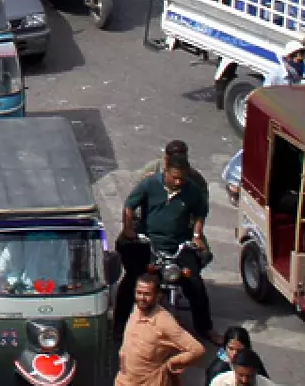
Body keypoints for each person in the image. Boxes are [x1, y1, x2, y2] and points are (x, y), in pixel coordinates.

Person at [115, 156, 213, 341]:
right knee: (131, 280)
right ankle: (119, 326)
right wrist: (129, 231)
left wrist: (197, 236)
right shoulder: (149, 184)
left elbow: (200, 213)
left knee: (195, 284)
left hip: (179, 245)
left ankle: (205, 328)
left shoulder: (193, 189)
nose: (178, 182)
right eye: (175, 177)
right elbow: (129, 206)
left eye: (182, 178)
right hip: (149, 243)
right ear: (165, 171)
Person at [116, 272, 206, 386]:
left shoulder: (165, 322)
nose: (142, 298)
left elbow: (197, 350)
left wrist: (172, 364)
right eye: (139, 293)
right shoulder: (136, 309)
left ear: (158, 296)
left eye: (147, 294)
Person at [204, 327, 268, 384]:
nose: (234, 353)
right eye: (231, 348)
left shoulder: (251, 359)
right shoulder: (216, 370)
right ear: (224, 347)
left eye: (240, 350)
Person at [207, 349, 275, 386]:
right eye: (240, 375)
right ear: (234, 369)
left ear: (256, 371)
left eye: (249, 376)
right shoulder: (219, 382)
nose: (244, 380)